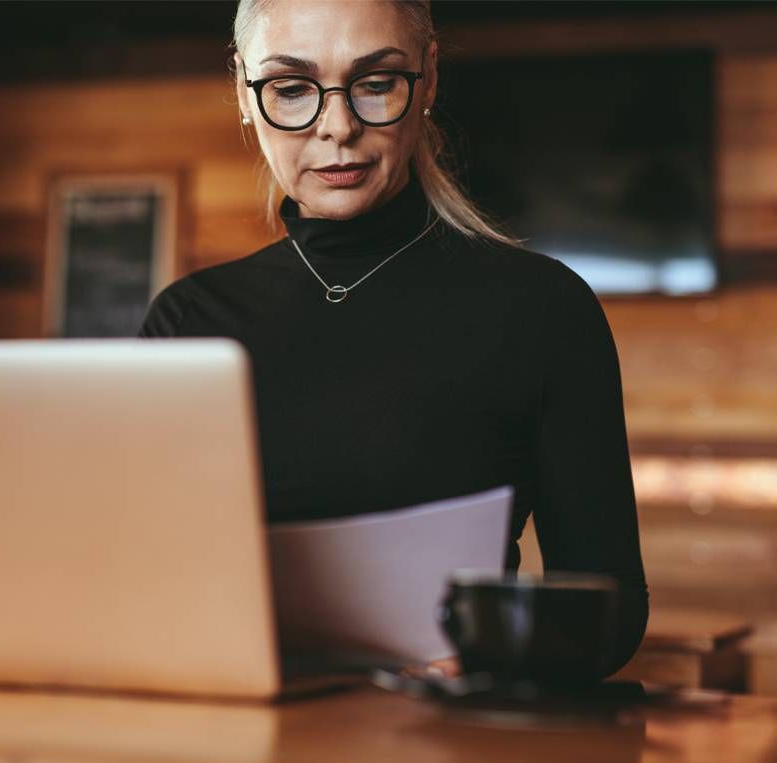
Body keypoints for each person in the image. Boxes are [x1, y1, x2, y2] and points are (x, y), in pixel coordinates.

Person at [138, 0, 648, 681]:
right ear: (243, 92)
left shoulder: (544, 309)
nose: (338, 127)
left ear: (428, 78)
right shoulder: (187, 322)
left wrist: (485, 660)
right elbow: (143, 581)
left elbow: (607, 607)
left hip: (449, 743)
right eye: (291, 88)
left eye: (376, 83)